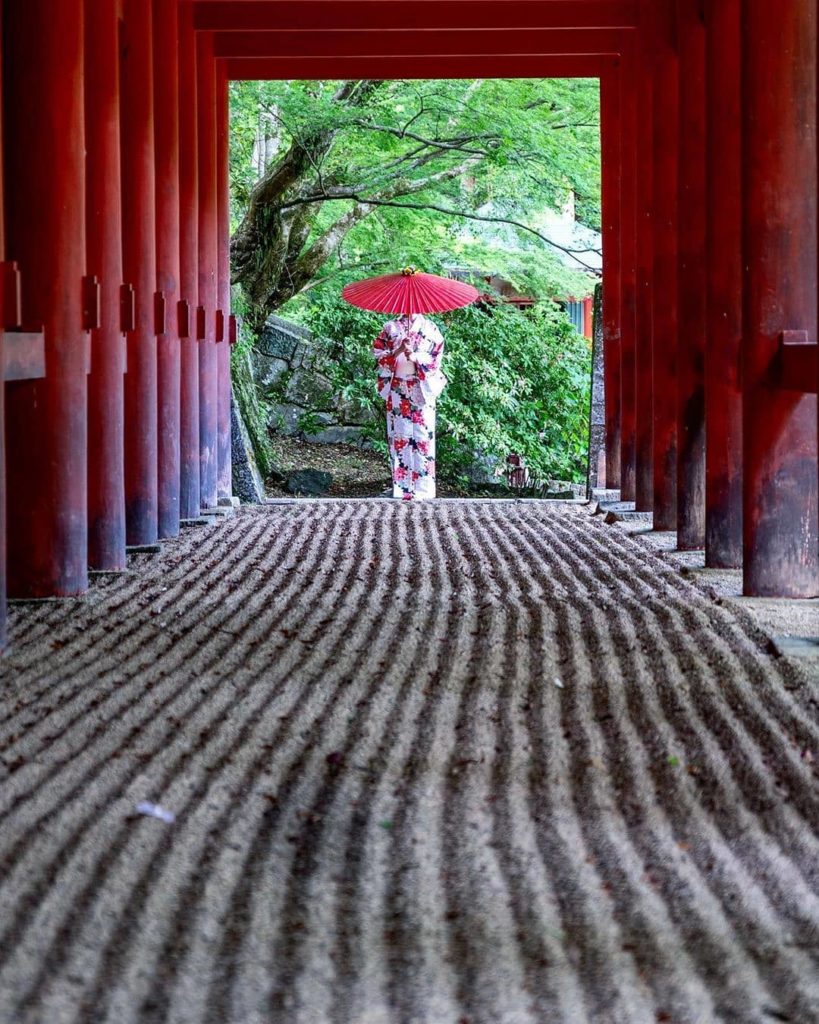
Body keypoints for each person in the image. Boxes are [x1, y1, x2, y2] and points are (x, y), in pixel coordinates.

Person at [372, 312, 447, 500]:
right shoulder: (390, 327)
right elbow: (378, 354)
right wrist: (398, 350)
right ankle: (402, 488)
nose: (410, 312)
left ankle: (424, 489)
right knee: (400, 435)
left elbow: (436, 357)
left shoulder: (430, 328)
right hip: (397, 385)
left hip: (421, 386)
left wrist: (415, 357)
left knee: (423, 436)